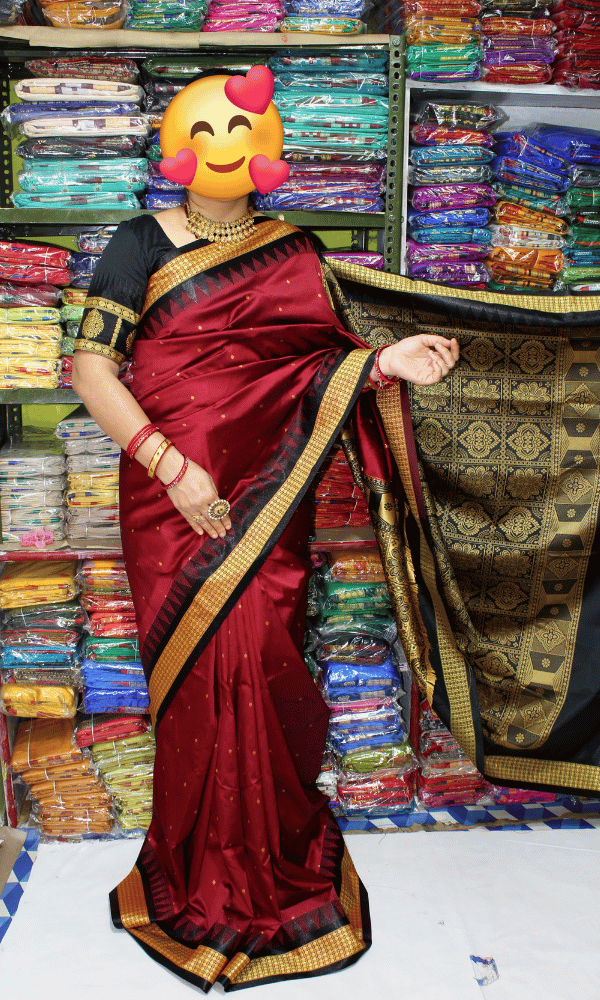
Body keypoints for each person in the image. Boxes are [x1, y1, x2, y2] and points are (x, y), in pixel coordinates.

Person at [72, 71, 459, 993]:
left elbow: (316, 367)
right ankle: (195, 864)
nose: (224, 141)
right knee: (199, 674)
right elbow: (91, 368)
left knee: (269, 650)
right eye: (207, 127)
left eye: (243, 127)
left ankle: (279, 847)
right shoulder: (136, 243)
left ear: (270, 144)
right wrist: (173, 464)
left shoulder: (296, 249)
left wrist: (386, 361)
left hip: (267, 496)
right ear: (177, 141)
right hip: (171, 504)